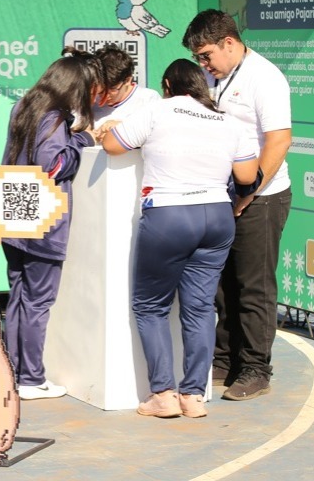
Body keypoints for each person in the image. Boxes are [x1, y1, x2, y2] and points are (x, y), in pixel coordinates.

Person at [102, 59, 260, 418]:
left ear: (168, 86)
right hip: (218, 217)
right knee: (201, 308)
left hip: (169, 215)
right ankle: (193, 396)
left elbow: (112, 145)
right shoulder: (227, 120)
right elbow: (248, 172)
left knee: (151, 306)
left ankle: (162, 395)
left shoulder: (159, 110)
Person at [182, 9, 291, 401]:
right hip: (220, 195)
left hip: (261, 198)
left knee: (253, 286)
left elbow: (278, 140)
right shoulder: (214, 76)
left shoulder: (266, 78)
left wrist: (250, 192)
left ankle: (256, 368)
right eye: (198, 58)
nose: (203, 63)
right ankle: (224, 360)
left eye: (207, 54)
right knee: (223, 285)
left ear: (230, 43)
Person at [0, 52, 98, 401]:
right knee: (38, 301)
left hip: (13, 205)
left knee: (19, 296)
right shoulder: (54, 117)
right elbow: (53, 166)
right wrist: (82, 140)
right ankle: (31, 378)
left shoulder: (23, 106)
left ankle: (13, 371)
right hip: (41, 214)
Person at [91, 44, 160, 125]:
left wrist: (122, 128)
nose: (105, 96)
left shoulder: (149, 99)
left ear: (127, 80)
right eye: (102, 90)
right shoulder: (92, 99)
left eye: (112, 89)